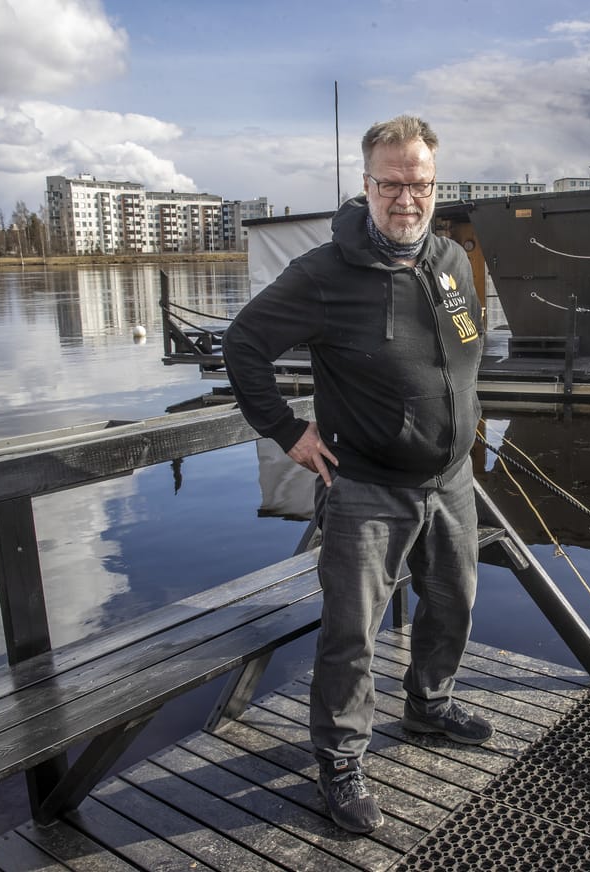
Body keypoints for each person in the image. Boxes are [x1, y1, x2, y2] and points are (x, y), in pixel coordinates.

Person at [222, 114, 491, 835]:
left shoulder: (451, 260)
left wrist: (452, 418)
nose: (409, 198)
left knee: (455, 601)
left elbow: (466, 348)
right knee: (352, 633)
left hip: (452, 480)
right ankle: (341, 760)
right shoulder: (323, 274)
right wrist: (285, 430)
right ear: (366, 185)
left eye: (422, 183)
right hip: (368, 486)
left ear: (438, 184)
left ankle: (429, 706)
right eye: (393, 183)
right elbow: (243, 343)